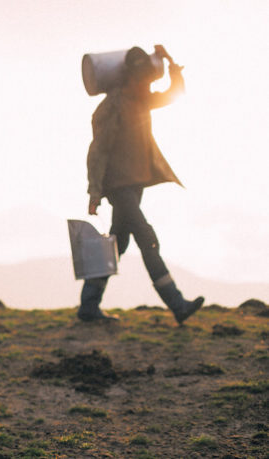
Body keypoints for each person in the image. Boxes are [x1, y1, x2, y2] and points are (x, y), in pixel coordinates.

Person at [80, 45, 204, 324]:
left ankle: (88, 306)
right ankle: (177, 303)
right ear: (129, 79)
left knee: (118, 244)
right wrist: (95, 192)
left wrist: (171, 63)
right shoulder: (113, 107)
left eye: (149, 81)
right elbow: (97, 152)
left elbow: (175, 94)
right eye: (143, 81)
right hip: (118, 187)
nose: (147, 85)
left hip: (135, 185)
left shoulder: (142, 99)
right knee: (147, 238)